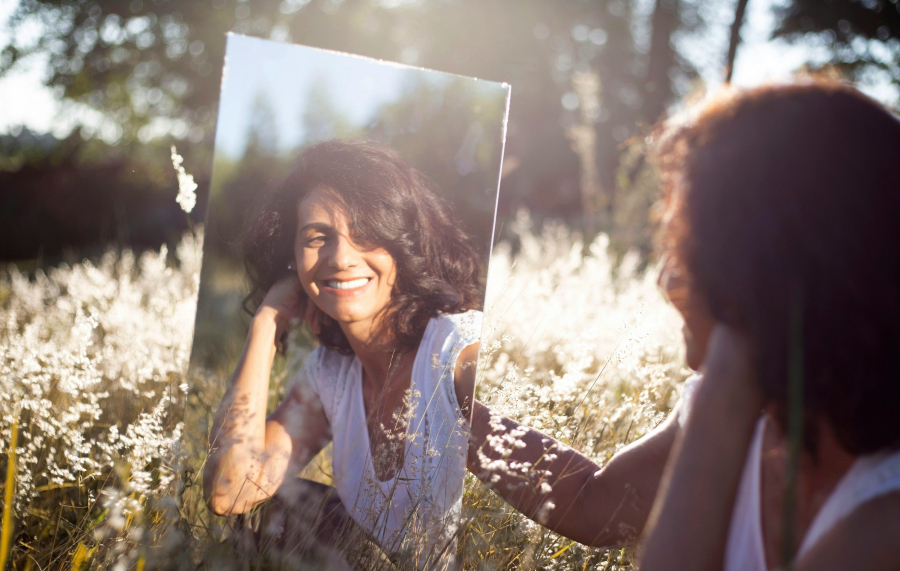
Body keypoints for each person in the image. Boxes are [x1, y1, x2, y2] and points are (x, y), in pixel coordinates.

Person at [466, 80, 900, 570]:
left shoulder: (886, 519)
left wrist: (727, 385)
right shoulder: (754, 410)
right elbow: (592, 504)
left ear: (772, 269)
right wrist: (455, 410)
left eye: (689, 250)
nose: (665, 280)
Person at [202, 139, 485, 569]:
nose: (340, 257)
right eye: (317, 237)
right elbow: (231, 491)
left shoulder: (457, 348)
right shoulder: (330, 375)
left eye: (366, 232)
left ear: (403, 243)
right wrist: (267, 321)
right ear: (292, 258)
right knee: (278, 512)